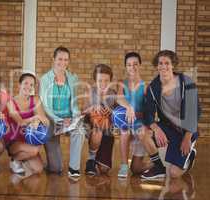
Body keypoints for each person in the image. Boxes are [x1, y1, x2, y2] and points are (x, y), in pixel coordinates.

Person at [140, 50, 201, 179]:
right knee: (143, 132)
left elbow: (195, 112)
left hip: (186, 130)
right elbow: (148, 113)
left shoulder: (186, 82)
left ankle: (190, 157)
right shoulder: (153, 87)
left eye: (167, 63)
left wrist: (187, 138)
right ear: (157, 65)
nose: (163, 66)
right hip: (168, 127)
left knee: (173, 174)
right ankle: (159, 167)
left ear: (173, 65)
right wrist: (156, 129)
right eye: (160, 63)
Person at [39, 46, 86, 179]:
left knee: (80, 130)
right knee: (56, 168)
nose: (63, 62)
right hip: (52, 121)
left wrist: (75, 116)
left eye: (66, 60)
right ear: (53, 59)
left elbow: (75, 103)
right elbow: (46, 107)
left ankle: (74, 168)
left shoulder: (72, 78)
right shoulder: (45, 79)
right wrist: (59, 120)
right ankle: (50, 163)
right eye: (60, 59)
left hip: (68, 119)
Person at [82, 64, 135, 176]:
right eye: (100, 80)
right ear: (95, 80)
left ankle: (98, 161)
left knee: (104, 170)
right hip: (93, 126)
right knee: (98, 131)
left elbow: (117, 113)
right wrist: (93, 108)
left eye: (106, 80)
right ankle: (91, 160)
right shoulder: (90, 92)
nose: (103, 84)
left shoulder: (113, 94)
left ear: (110, 81)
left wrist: (111, 111)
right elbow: (83, 111)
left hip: (107, 129)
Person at [4, 73, 49, 182]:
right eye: (26, 83)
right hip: (13, 140)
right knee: (34, 150)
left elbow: (46, 122)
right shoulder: (10, 102)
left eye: (31, 85)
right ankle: (15, 159)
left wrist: (38, 120)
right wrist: (35, 118)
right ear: (19, 85)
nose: (28, 87)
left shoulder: (36, 99)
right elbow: (21, 122)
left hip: (28, 140)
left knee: (38, 169)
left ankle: (18, 160)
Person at [117, 52, 151, 178]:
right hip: (127, 124)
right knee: (124, 130)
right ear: (126, 67)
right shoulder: (122, 83)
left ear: (140, 65)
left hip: (140, 125)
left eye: (135, 64)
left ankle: (159, 165)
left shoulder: (145, 86)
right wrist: (129, 107)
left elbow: (149, 109)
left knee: (136, 169)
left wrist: (148, 125)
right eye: (129, 65)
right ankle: (124, 165)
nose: (132, 67)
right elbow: (119, 98)